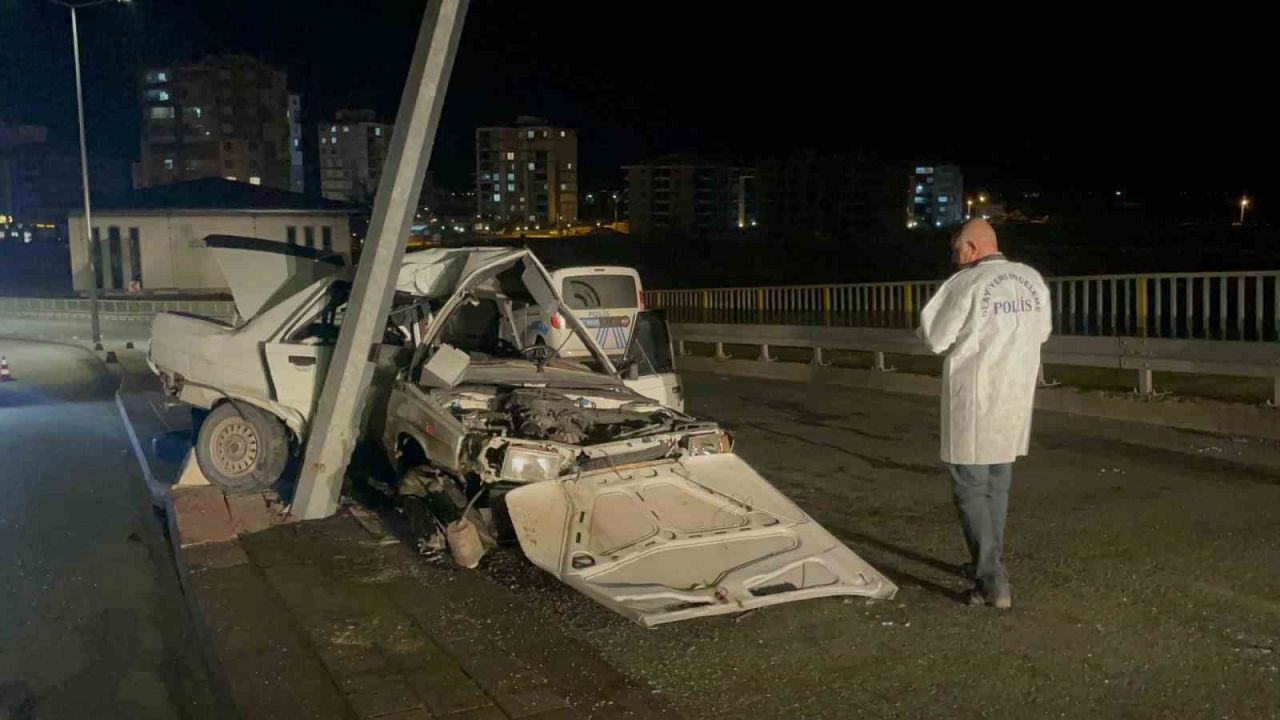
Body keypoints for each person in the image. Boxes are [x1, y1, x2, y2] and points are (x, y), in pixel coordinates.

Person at [917, 219, 1052, 609]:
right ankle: (987, 560)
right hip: (1013, 397)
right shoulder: (1031, 278)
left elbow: (936, 337)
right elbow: (1041, 332)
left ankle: (992, 580)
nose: (955, 255)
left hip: (975, 398)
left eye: (957, 248)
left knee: (970, 487)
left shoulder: (965, 285)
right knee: (997, 482)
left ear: (972, 248)